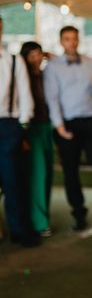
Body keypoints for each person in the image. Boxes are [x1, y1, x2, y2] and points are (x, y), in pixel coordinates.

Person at [43, 25, 92, 231]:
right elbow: (52, 99)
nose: (72, 42)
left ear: (78, 40)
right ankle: (79, 214)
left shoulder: (91, 62)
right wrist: (59, 127)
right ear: (61, 41)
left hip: (90, 120)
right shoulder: (52, 67)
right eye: (67, 39)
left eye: (75, 38)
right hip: (67, 124)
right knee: (71, 172)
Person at [0, 16, 38, 247]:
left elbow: (26, 97)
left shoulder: (14, 60)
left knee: (13, 183)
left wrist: (21, 128)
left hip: (9, 127)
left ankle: (19, 231)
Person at [20, 41, 54, 238]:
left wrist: (52, 58)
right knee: (37, 176)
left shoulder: (45, 74)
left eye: (39, 54)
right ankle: (39, 222)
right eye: (32, 55)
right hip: (31, 129)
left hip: (47, 127)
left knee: (47, 174)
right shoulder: (23, 76)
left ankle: (42, 218)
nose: (37, 58)